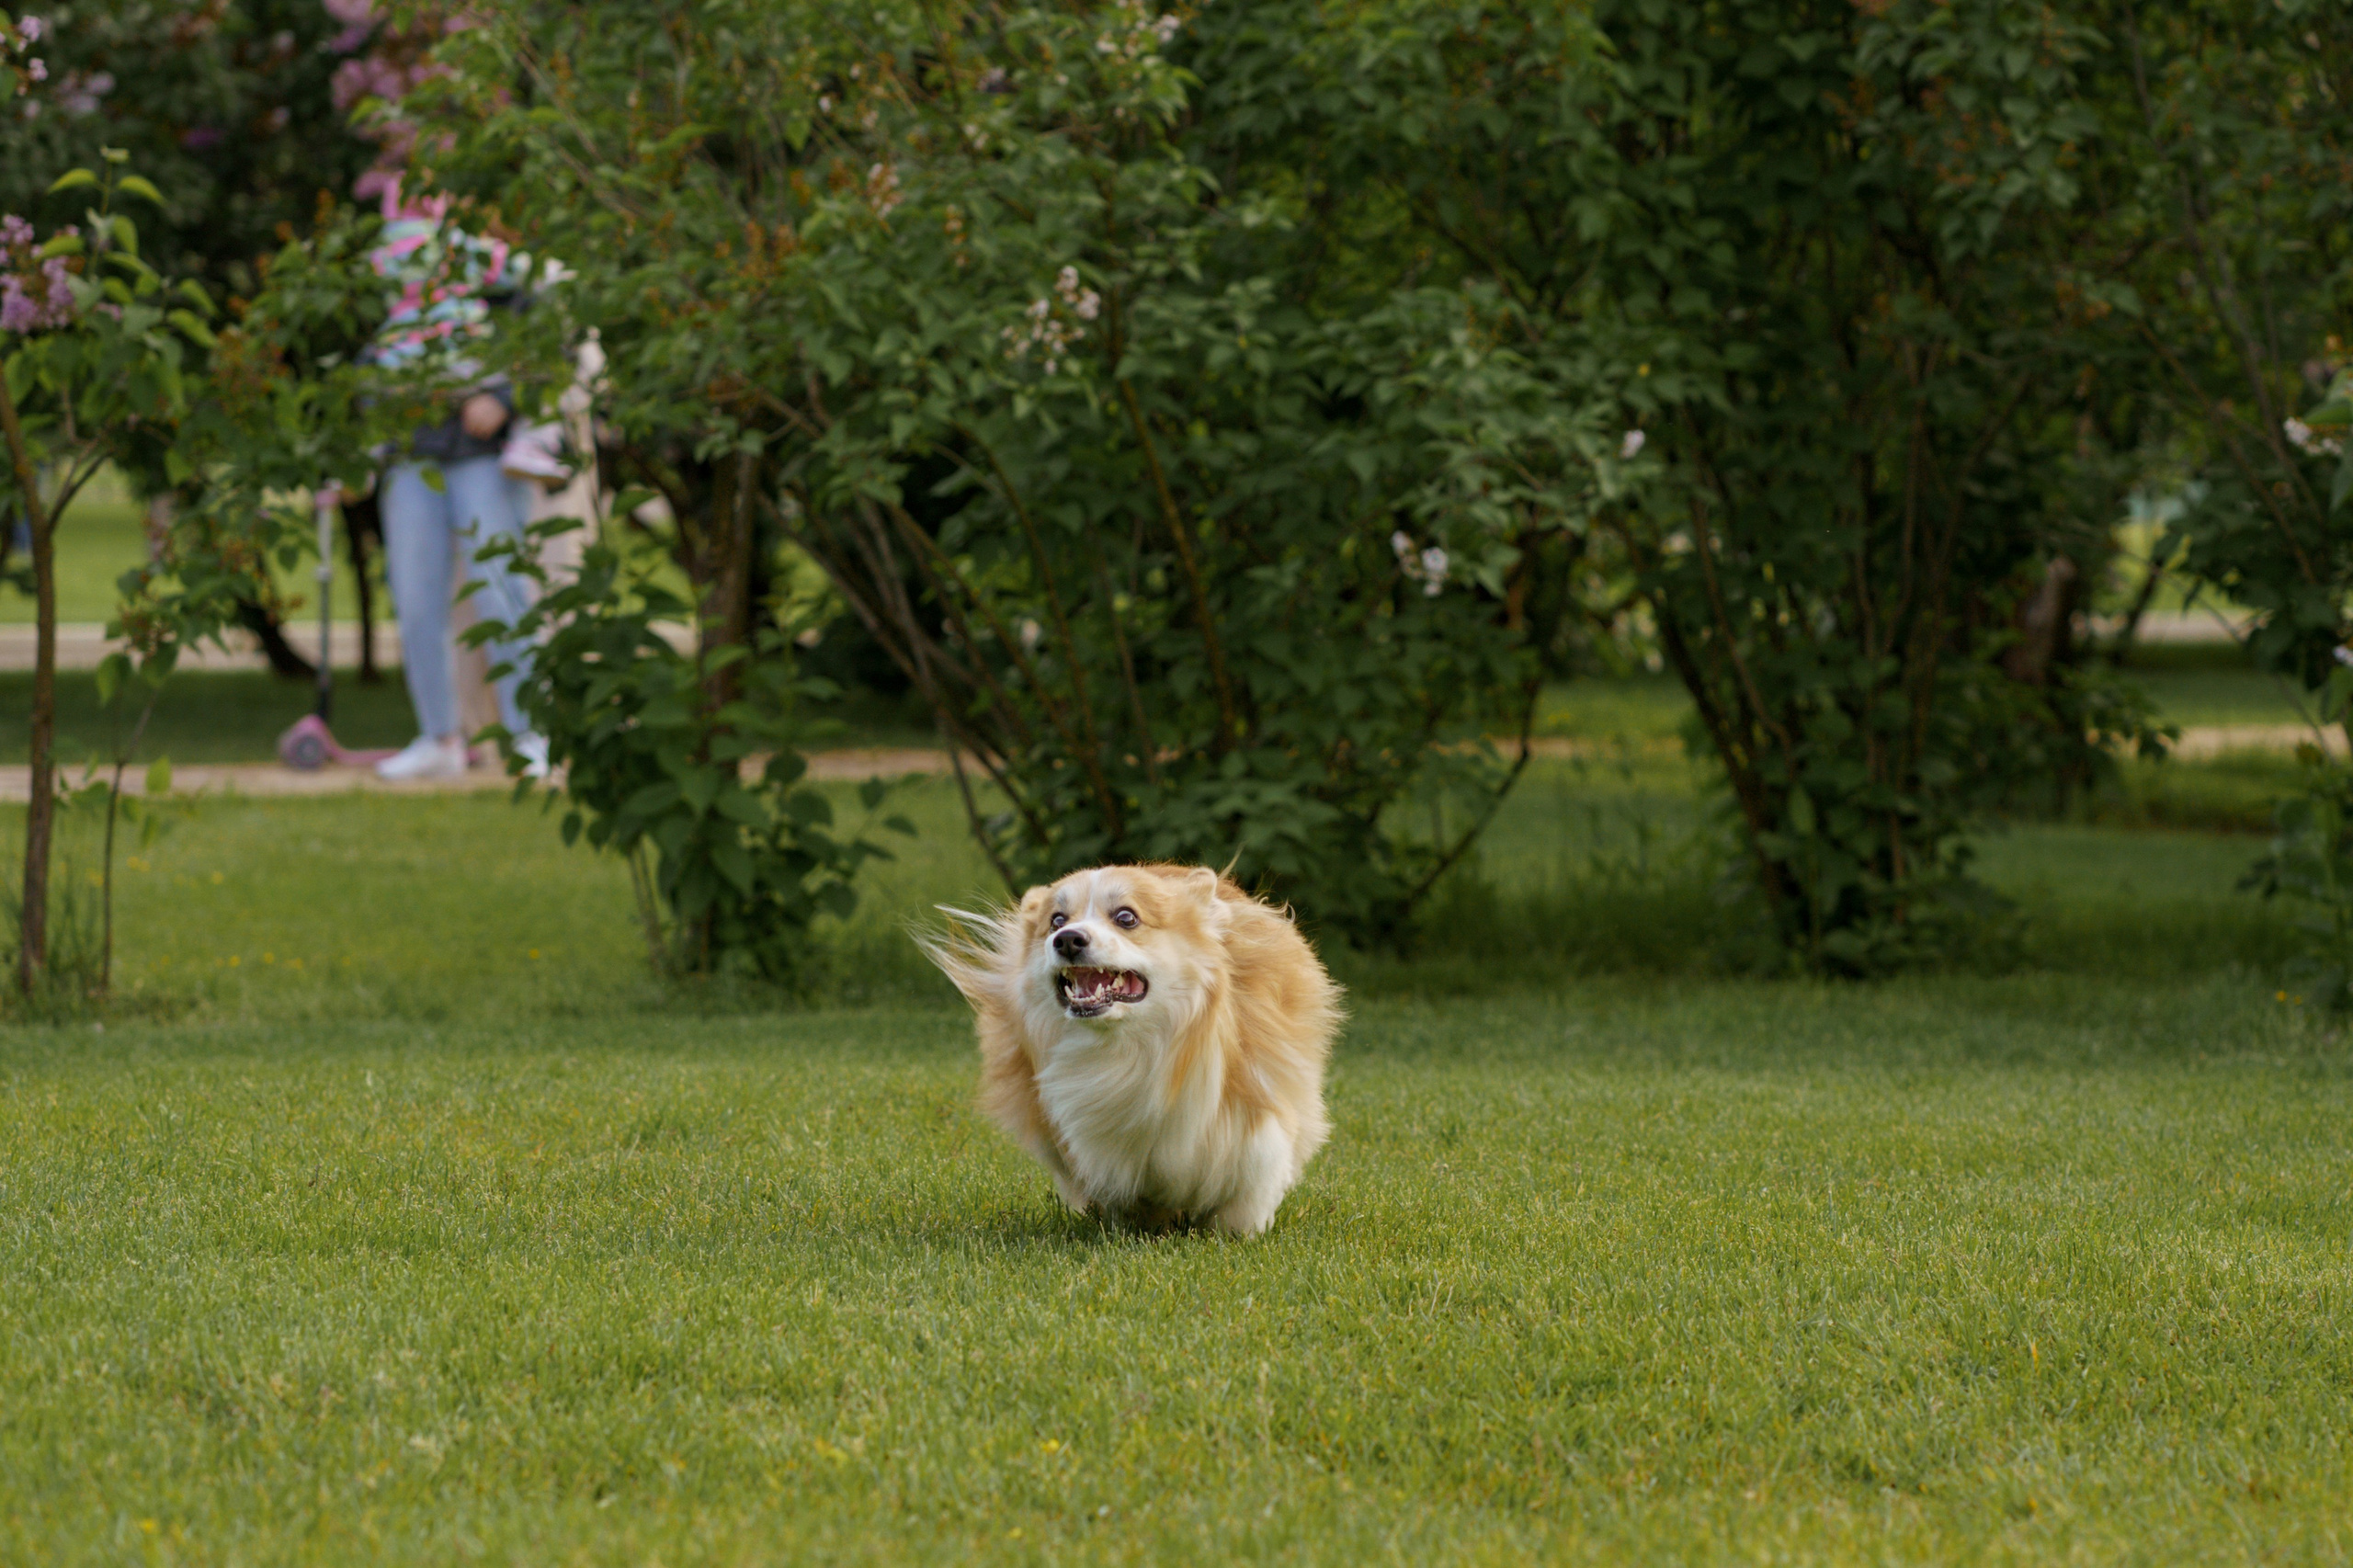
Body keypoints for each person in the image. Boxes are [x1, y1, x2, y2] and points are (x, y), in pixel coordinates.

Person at [362, 188, 551, 782]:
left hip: (482, 460)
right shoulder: (398, 301)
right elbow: (369, 374)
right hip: (412, 459)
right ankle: (439, 738)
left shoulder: (503, 292)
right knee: (416, 600)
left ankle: (530, 736)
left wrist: (502, 399)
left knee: (502, 593)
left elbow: (547, 352)